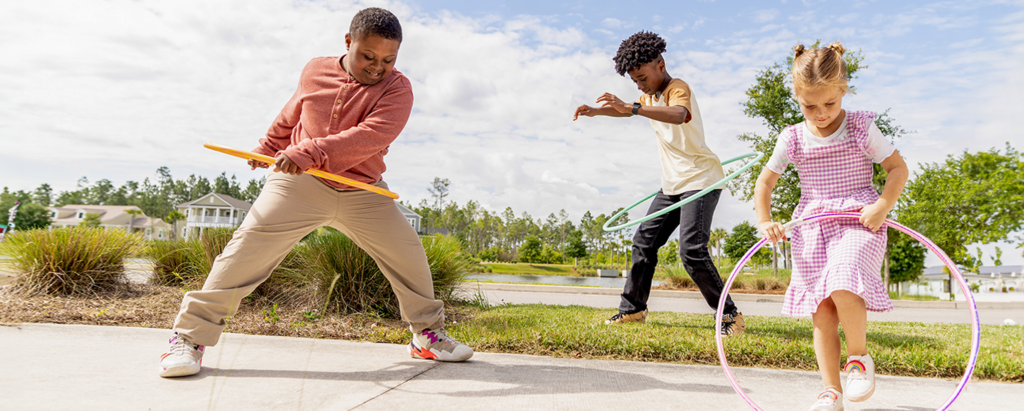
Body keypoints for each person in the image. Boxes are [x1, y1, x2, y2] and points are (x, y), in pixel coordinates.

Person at [159, 7, 473, 378]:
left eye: (389, 59)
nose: (377, 67)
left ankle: (427, 337)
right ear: (348, 42)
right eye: (368, 56)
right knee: (245, 251)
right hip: (299, 184)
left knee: (409, 257)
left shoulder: (398, 89)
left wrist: (309, 151)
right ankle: (188, 338)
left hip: (363, 189)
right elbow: (293, 111)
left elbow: (372, 136)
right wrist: (270, 145)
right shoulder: (315, 70)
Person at [753, 42, 909, 411]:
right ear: (797, 96)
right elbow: (764, 183)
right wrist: (765, 221)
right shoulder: (791, 137)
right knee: (821, 310)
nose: (821, 113)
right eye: (809, 106)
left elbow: (897, 169)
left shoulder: (860, 127)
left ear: (843, 91)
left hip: (858, 219)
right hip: (812, 227)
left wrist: (883, 205)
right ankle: (830, 391)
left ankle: (859, 359)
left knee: (843, 277)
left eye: (830, 103)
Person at [573, 31, 744, 335]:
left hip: (700, 179)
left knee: (692, 250)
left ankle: (730, 316)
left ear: (660, 65)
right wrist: (596, 111)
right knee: (643, 242)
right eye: (634, 82)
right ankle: (633, 310)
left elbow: (679, 115)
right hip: (672, 185)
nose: (639, 86)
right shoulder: (648, 96)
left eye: (642, 77)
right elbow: (624, 110)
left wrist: (633, 107)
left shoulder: (678, 89)